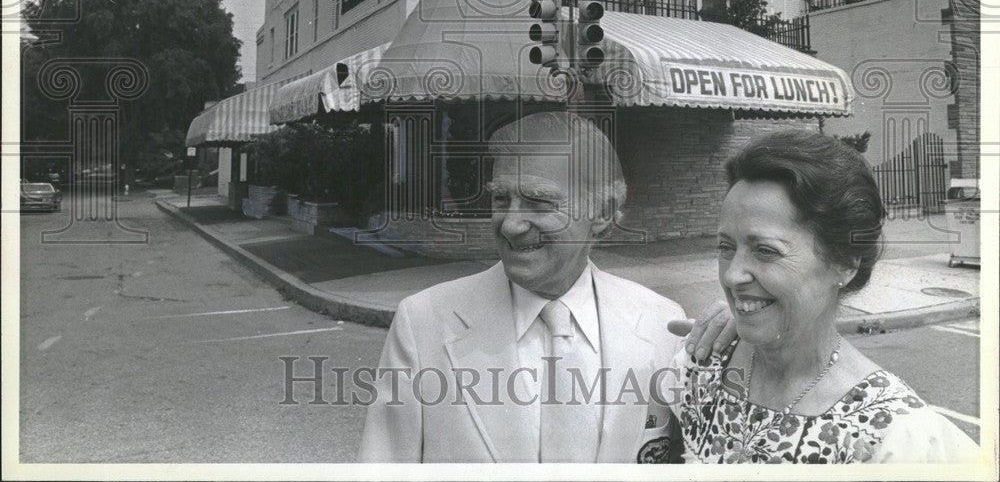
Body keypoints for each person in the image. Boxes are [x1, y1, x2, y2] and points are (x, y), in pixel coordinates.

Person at [358, 110, 731, 463]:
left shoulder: (661, 322)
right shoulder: (423, 323)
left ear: (601, 214)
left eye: (538, 202)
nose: (510, 225)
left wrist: (748, 347)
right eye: (501, 199)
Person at [669, 130, 979, 464]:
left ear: (845, 262)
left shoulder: (893, 437)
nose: (732, 275)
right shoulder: (699, 369)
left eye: (765, 251)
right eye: (726, 247)